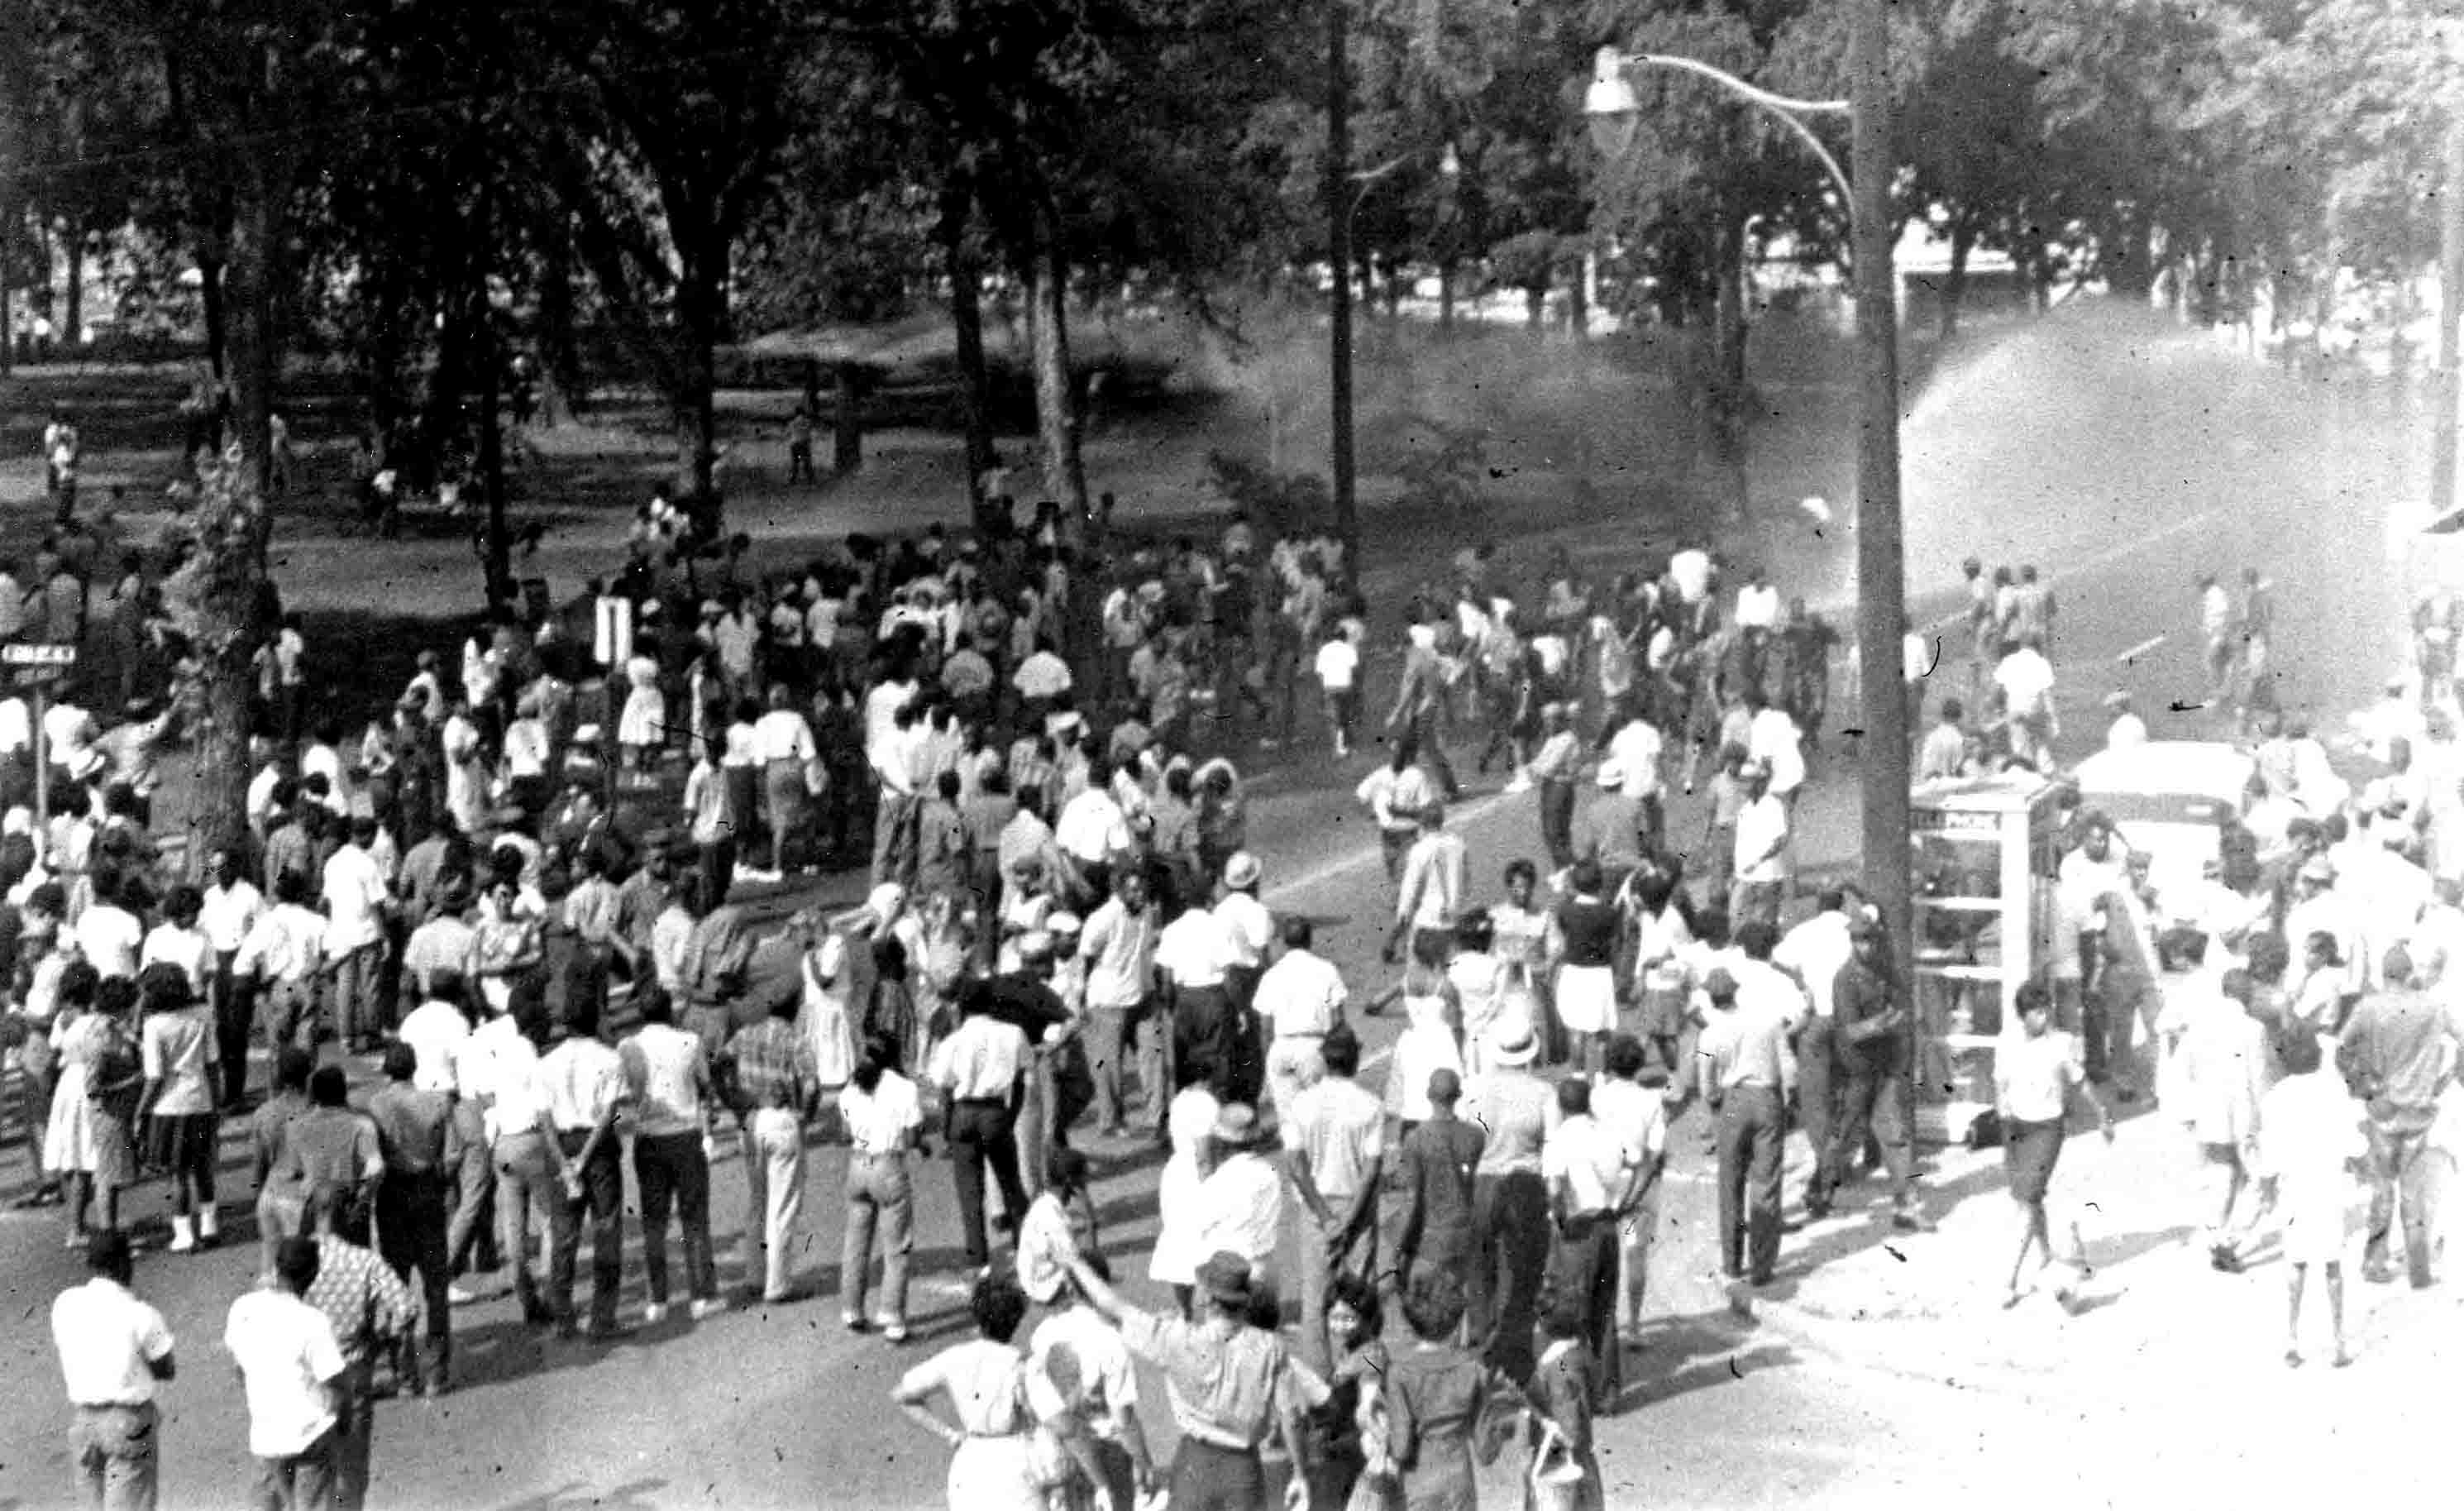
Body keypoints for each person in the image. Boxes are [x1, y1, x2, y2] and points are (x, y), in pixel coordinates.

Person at [1063, 1248, 1316, 1511]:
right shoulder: (1270, 1348)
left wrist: (1074, 1262)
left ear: (1208, 1299)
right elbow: (1292, 1416)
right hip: (1243, 1469)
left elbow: (1114, 1306)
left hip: (1194, 1463)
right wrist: (1299, 1474)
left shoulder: (1178, 1340)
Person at [2335, 944, 2462, 1289]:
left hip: (2382, 1106)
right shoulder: (2434, 1007)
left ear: (2383, 973)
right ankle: (2419, 1269)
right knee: (2413, 1189)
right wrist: (2447, 1079)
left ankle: (2375, 1262)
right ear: (2409, 974)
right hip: (2420, 1108)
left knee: (2381, 1186)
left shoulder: (2369, 1007)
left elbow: (2342, 1049)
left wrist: (2363, 1087)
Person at [890, 1273, 1057, 1511]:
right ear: (1016, 1321)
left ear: (977, 1319)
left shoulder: (954, 1357)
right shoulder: (1022, 1365)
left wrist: (948, 1433)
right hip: (1015, 1462)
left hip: (969, 1464)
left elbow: (902, 1396)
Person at [1993, 982, 2113, 1310]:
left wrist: (2102, 1115)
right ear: (2023, 1015)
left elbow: (2079, 1081)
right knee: (2029, 1201)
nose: (2043, 1017)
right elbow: (2000, 1085)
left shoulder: (2061, 1043)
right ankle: (2047, 1255)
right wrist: (2003, 1123)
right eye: (2035, 1012)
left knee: (2028, 1197)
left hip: (2048, 1128)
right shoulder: (2006, 1043)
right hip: (2016, 1127)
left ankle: (2009, 1279)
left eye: (2046, 1011)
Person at [298, 1187, 413, 1511]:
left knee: (310, 1472)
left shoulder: (295, 1258)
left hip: (306, 1375)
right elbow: (406, 1306)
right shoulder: (365, 1260)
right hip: (352, 1371)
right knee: (351, 1471)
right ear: (347, 1216)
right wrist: (385, 1335)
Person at [1678, 968, 1795, 1286]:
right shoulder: (1768, 1022)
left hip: (1732, 1103)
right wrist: (1783, 1100)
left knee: (1730, 1183)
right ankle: (1762, 1266)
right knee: (1766, 1183)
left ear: (1712, 999)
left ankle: (1732, 1262)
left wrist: (1715, 1101)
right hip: (1767, 1098)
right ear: (1735, 991)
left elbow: (1705, 1079)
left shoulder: (1709, 1034)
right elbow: (1789, 1067)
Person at [620, 985, 728, 1326]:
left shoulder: (628, 1046)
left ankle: (658, 1300)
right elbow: (706, 1086)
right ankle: (702, 1295)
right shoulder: (690, 1042)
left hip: (648, 1138)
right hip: (685, 1136)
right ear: (669, 1010)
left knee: (654, 1222)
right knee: (694, 1218)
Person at [1381, 1270, 1532, 1511]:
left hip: (1418, 1482)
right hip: (1459, 1481)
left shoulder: (1399, 1373)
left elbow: (1401, 1446)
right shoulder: (1472, 1370)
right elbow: (1486, 1451)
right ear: (1455, 1322)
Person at [51, 1230, 176, 1511]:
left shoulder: (65, 1303)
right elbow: (166, 1368)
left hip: (84, 1422)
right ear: (123, 1264)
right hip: (128, 1422)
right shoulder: (141, 1313)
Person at [1285, 1026, 1384, 1379]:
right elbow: (1372, 1170)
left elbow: (1296, 1166)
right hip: (1356, 1206)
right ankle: (1359, 1375)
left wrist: (1327, 1220)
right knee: (1360, 1299)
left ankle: (1321, 1387)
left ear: (1325, 1062)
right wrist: (1347, 1219)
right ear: (1355, 1061)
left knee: (1315, 1301)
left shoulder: (1301, 1104)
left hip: (1316, 1209)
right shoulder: (1371, 1106)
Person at [1463, 1022, 1556, 1382]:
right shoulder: (1543, 1093)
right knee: (1523, 1273)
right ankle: (1514, 1354)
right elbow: (1552, 1147)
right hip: (1526, 1184)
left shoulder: (1474, 1088)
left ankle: (1481, 1344)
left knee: (1480, 1269)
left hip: (1484, 1181)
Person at [1811, 919, 1918, 1231]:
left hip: (1883, 1069)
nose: (1866, 946)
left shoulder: (1885, 972)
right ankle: (1819, 1190)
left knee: (1895, 1137)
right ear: (1852, 942)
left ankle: (1906, 1206)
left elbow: (1902, 1008)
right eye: (1859, 940)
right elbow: (1851, 1032)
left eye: (1870, 940)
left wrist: (1889, 1021)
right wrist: (1883, 1023)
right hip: (1855, 1071)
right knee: (1843, 1137)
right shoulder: (1844, 979)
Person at [227, 1237, 348, 1511]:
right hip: (310, 1433)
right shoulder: (312, 1320)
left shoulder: (242, 1308)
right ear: (313, 1275)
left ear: (276, 1267)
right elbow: (338, 1383)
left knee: (269, 1500)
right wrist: (344, 1421)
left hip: (267, 1434)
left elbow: (239, 1369)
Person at [1029, 1254, 1159, 1511]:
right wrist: (1143, 1462)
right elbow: (1123, 1419)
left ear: (1069, 1287)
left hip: (1064, 1452)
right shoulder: (1110, 1339)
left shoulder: (1042, 1334)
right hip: (1109, 1451)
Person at [362, 1044, 456, 1395]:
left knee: (395, 1287)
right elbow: (453, 1156)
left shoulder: (375, 1106)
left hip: (392, 1196)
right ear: (415, 1068)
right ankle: (436, 1373)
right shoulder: (437, 1103)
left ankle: (404, 1373)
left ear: (387, 1070)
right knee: (436, 1288)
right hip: (428, 1192)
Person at [717, 991, 819, 1304]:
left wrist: (731, 1101)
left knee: (758, 1201)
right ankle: (777, 1284)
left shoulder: (746, 1034)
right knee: (782, 1206)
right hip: (782, 1118)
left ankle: (755, 1275)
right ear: (793, 1012)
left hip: (750, 1119)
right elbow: (812, 1085)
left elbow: (719, 1062)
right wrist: (806, 1117)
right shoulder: (797, 1040)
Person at [930, 980, 1034, 1274]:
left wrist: (946, 1128)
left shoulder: (953, 1041)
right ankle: (1024, 1248)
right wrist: (1010, 1114)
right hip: (995, 1111)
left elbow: (944, 1090)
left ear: (962, 1008)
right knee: (1011, 1184)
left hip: (964, 1112)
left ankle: (978, 1261)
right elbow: (1022, 1079)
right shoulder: (1013, 1034)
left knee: (969, 1192)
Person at [842, 1034, 925, 1341]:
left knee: (856, 1242)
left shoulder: (852, 1088)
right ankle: (892, 1318)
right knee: (896, 1246)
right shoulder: (905, 1088)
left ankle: (852, 1309)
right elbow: (913, 1136)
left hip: (858, 1163)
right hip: (888, 1165)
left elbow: (843, 1131)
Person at [1381, 1066, 1485, 1313]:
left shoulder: (1416, 1138)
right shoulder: (1475, 1135)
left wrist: (1396, 1250)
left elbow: (1411, 1200)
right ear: (1458, 1096)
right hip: (1465, 1229)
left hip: (1430, 1235)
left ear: (1429, 1096)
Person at [135, 963, 220, 1253]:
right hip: (201, 1099)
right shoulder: (203, 1014)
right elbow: (212, 1063)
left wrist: (140, 1111)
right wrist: (216, 1101)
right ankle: (210, 1224)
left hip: (169, 1106)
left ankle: (183, 1233)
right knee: (203, 1167)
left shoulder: (154, 1025)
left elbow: (154, 1077)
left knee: (178, 1174)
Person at [1256, 916, 1346, 1126]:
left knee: (1289, 1127)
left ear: (1285, 942)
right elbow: (1338, 1021)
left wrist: (1268, 1063)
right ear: (1310, 940)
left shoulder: (1271, 975)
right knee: (1319, 1119)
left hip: (1281, 1048)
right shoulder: (1327, 969)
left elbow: (1265, 1028)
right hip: (1314, 1048)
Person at [1524, 1298, 1605, 1511]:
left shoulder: (1560, 1367)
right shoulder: (1580, 1354)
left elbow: (1568, 1415)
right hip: (1581, 1449)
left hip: (1560, 1454)